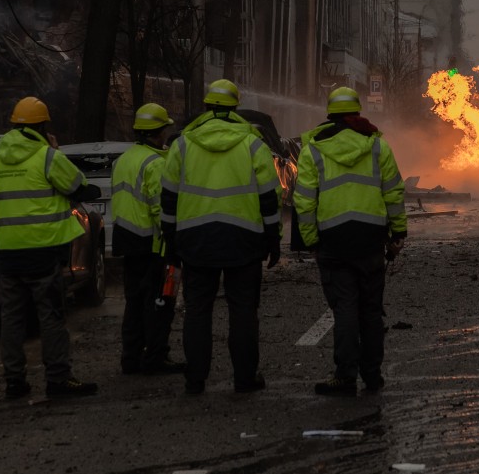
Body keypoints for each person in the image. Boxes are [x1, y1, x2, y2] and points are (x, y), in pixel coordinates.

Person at [0, 96, 100, 400]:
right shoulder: (47, 157)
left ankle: (14, 382)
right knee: (51, 316)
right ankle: (58, 379)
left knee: (12, 319)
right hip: (44, 252)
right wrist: (55, 152)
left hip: (8, 255)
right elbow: (79, 187)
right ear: (43, 126)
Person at [161, 79, 280, 396]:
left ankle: (195, 379)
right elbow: (269, 198)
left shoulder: (183, 145)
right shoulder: (253, 144)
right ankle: (244, 379)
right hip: (244, 240)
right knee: (243, 310)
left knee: (197, 310)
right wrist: (273, 239)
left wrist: (170, 242)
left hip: (195, 239)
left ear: (207, 107)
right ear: (234, 108)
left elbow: (168, 199)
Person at [294, 87, 407, 396]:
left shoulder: (313, 149)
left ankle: (345, 377)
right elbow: (394, 193)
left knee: (345, 309)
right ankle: (373, 376)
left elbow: (303, 203)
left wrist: (311, 241)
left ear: (329, 114)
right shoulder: (377, 146)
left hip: (333, 240)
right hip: (371, 238)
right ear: (357, 113)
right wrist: (398, 233)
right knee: (370, 310)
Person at [111, 102, 184, 376]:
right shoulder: (155, 164)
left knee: (133, 303)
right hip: (154, 244)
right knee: (160, 302)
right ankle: (155, 357)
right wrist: (173, 242)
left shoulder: (123, 160)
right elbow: (160, 209)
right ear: (159, 132)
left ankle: (130, 358)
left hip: (128, 241)